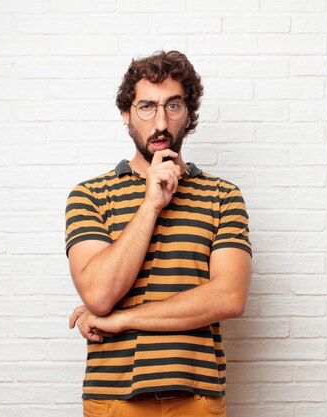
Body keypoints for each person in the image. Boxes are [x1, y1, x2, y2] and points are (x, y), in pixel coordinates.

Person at [64, 50, 252, 417]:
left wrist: (122, 319)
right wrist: (150, 205)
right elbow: (100, 295)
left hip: (197, 395)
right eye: (147, 107)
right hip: (113, 397)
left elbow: (229, 297)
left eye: (174, 106)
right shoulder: (89, 195)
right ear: (126, 114)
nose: (161, 122)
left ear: (189, 115)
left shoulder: (223, 196)